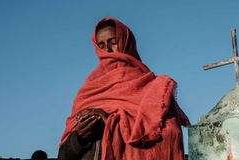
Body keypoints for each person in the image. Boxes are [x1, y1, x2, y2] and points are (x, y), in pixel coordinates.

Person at [58, 17, 190, 160]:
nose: (107, 50)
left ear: (126, 43)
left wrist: (112, 123)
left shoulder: (155, 90)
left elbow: (170, 136)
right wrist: (78, 138)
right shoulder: (89, 89)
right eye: (101, 46)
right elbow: (64, 155)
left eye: (113, 42)